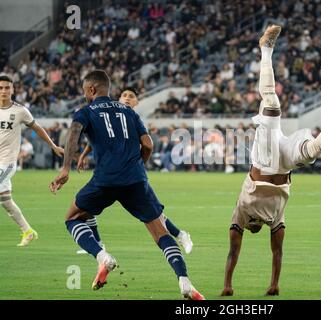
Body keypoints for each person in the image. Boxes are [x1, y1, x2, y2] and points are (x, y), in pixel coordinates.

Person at [221, 26, 321, 297]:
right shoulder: (275, 218)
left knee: (271, 102)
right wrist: (274, 284)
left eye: (252, 226)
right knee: (313, 150)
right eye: (254, 227)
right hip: (283, 166)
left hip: (264, 160)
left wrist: (227, 284)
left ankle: (266, 48)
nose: (254, 225)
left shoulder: (240, 214)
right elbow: (278, 252)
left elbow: (232, 252)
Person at [49, 70, 204, 299]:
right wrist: (138, 166)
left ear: (92, 89)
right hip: (135, 180)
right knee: (160, 233)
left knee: (72, 217)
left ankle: (102, 256)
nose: (84, 95)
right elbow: (148, 144)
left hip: (105, 180)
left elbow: (73, 133)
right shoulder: (128, 112)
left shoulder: (86, 111)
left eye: (84, 90)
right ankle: (185, 282)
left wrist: (65, 168)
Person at [75, 88, 193, 255]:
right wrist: (84, 154)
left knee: (154, 212)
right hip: (117, 172)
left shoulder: (134, 119)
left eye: (131, 96)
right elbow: (97, 137)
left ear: (137, 102)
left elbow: (147, 144)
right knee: (89, 206)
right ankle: (98, 242)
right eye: (124, 95)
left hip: (132, 174)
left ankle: (180, 234)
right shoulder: (117, 116)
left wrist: (141, 164)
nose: (127, 98)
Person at [0, 75, 64, 246]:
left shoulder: (20, 111)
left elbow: (38, 128)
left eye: (7, 87)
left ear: (13, 89)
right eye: (1, 88)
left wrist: (53, 146)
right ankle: (28, 231)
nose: (4, 91)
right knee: (5, 200)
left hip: (7, 162)